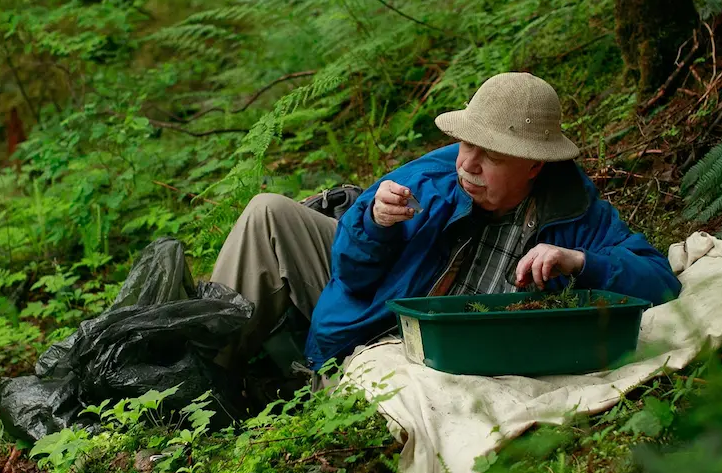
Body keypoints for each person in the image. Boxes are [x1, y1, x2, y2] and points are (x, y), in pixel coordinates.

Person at [211, 72, 681, 373]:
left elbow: (659, 281)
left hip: (450, 346)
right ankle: (204, 372)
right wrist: (376, 224)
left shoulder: (574, 212)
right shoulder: (428, 181)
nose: (468, 166)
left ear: (534, 165)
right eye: (465, 145)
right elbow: (352, 277)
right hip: (380, 314)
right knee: (267, 210)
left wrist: (581, 262)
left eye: (490, 155)